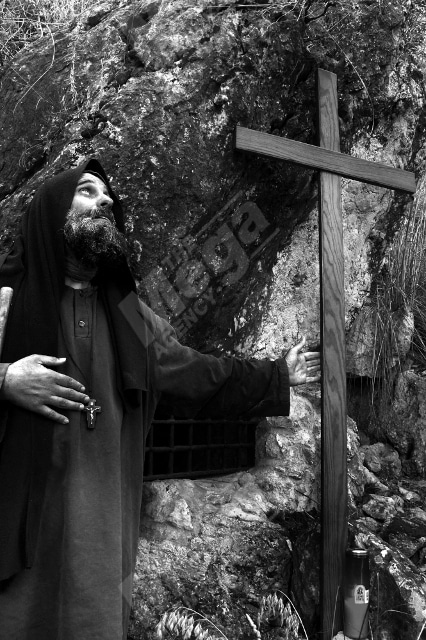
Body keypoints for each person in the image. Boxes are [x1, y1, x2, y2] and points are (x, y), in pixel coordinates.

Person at [0, 159, 320, 640]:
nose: (105, 201)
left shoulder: (130, 314)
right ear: (51, 210)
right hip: (20, 536)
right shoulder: (6, 296)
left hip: (100, 536)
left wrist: (277, 374)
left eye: (108, 197)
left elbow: (193, 372)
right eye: (87, 191)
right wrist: (5, 379)